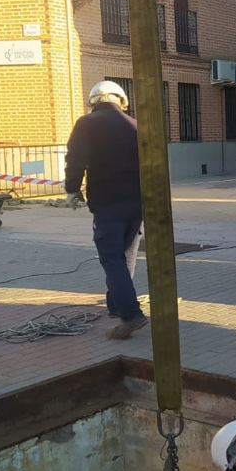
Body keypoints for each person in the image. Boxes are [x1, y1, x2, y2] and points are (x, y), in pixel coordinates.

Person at [64, 80, 148, 340]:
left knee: (111, 257)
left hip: (108, 203)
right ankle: (116, 304)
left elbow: (75, 160)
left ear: (93, 102)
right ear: (121, 101)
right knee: (126, 255)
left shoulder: (86, 124)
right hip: (138, 202)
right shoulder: (136, 125)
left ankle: (130, 315)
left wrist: (72, 189)